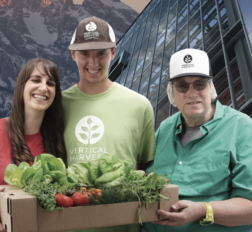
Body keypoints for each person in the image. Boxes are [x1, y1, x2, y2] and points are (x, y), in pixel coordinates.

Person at [143, 48, 252, 232]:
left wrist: (202, 210)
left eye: (200, 84)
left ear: (211, 88)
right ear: (172, 92)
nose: (192, 93)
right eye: (182, 85)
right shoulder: (165, 128)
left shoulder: (243, 130)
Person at [62, 16, 156, 232]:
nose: (93, 63)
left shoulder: (139, 106)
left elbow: (143, 168)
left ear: (113, 52)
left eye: (101, 53)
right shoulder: (57, 106)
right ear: (73, 54)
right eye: (85, 53)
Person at [0, 58, 66, 232]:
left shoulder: (55, 145)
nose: (43, 87)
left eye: (50, 83)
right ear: (21, 87)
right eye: (36, 80)